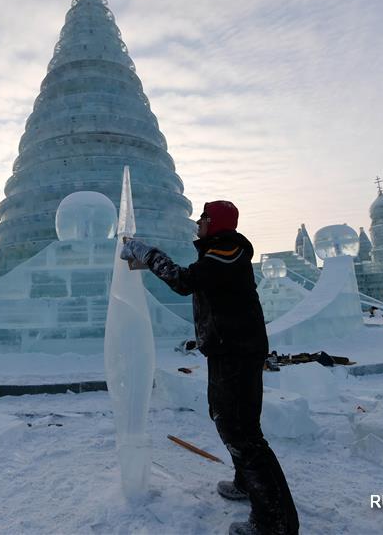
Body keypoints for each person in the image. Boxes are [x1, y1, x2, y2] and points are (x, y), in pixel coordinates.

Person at [121, 201, 299, 535]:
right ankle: (247, 484)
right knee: (227, 418)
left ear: (215, 224)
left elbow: (184, 280)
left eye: (203, 219)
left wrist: (148, 254)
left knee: (241, 432)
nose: (197, 224)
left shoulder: (227, 252)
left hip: (236, 351)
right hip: (228, 349)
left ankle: (274, 521)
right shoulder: (221, 252)